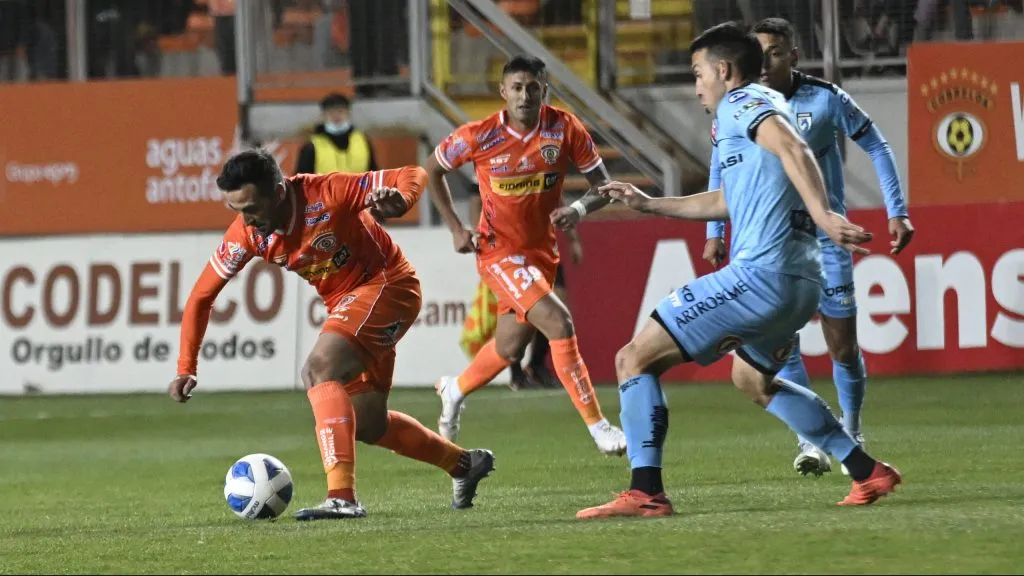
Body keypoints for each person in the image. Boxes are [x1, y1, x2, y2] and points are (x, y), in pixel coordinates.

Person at [576, 22, 902, 519]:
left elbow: (794, 148)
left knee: (633, 360)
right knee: (753, 380)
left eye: (698, 73)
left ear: (724, 70)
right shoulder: (761, 110)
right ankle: (866, 469)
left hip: (760, 277)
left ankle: (646, 493)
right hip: (800, 284)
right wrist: (649, 203)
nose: (696, 85)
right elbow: (727, 199)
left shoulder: (741, 101)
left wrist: (823, 215)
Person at [168, 149, 494, 520]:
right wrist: (186, 366)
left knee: (318, 370)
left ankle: (342, 497)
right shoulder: (247, 234)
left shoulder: (328, 192)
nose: (246, 219)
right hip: (351, 304)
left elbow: (414, 173)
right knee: (368, 424)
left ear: (278, 192)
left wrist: (401, 201)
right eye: (236, 210)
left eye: (252, 208)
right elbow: (201, 297)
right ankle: (464, 464)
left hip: (388, 285)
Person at [703, 18, 914, 477]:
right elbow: (721, 168)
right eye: (759, 53)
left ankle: (852, 431)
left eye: (776, 53)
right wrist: (714, 233)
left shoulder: (824, 98)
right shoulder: (736, 106)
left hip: (825, 239)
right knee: (781, 346)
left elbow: (878, 146)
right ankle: (811, 441)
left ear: (794, 56)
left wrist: (896, 211)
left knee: (842, 346)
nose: (765, 63)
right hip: (769, 240)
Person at [426, 54, 626, 455]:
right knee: (559, 323)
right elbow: (431, 169)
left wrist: (577, 210)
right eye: (516, 88)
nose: (524, 95)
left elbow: (603, 187)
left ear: (544, 91)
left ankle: (455, 388)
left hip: (541, 253)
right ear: (503, 92)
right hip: (497, 251)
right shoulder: (478, 135)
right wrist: (456, 228)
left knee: (509, 348)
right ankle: (599, 426)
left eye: (533, 87)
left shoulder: (565, 128)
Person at [459, 181, 585, 391]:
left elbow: (556, 197)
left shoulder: (543, 163)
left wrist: (573, 239)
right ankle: (516, 373)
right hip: (507, 251)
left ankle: (537, 365)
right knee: (517, 312)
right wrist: (478, 236)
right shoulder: (490, 164)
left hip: (543, 247)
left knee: (558, 304)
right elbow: (475, 200)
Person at [295, 93, 378, 176]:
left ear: (348, 113)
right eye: (331, 112)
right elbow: (301, 180)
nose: (336, 116)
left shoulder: (363, 141)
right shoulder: (311, 147)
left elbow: (374, 176)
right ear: (323, 115)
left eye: (340, 111)